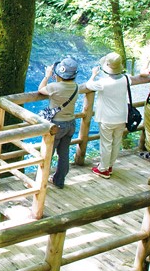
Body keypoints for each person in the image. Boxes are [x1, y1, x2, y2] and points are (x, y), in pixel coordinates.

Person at [85, 53, 128, 179]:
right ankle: (109, 165)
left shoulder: (103, 82)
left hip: (107, 118)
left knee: (106, 143)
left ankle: (103, 169)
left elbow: (88, 85)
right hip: (121, 116)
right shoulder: (126, 79)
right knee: (116, 142)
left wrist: (93, 74)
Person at [38, 57, 79, 188]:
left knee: (47, 154)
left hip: (56, 126)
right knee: (64, 154)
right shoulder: (76, 86)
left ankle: (40, 182)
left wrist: (47, 76)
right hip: (70, 123)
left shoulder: (54, 86)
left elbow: (41, 89)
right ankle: (59, 180)